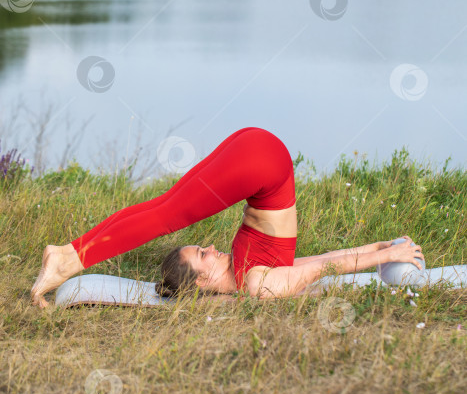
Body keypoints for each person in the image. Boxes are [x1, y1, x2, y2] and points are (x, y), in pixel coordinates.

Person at [31, 127, 424, 307]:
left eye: (203, 249)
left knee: (165, 208)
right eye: (203, 254)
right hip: (260, 160)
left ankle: (68, 255)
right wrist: (382, 251)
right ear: (202, 280)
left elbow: (322, 267)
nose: (213, 247)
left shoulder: (250, 275)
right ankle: (66, 255)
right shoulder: (257, 284)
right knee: (164, 210)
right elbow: (324, 265)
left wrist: (383, 254)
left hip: (261, 164)